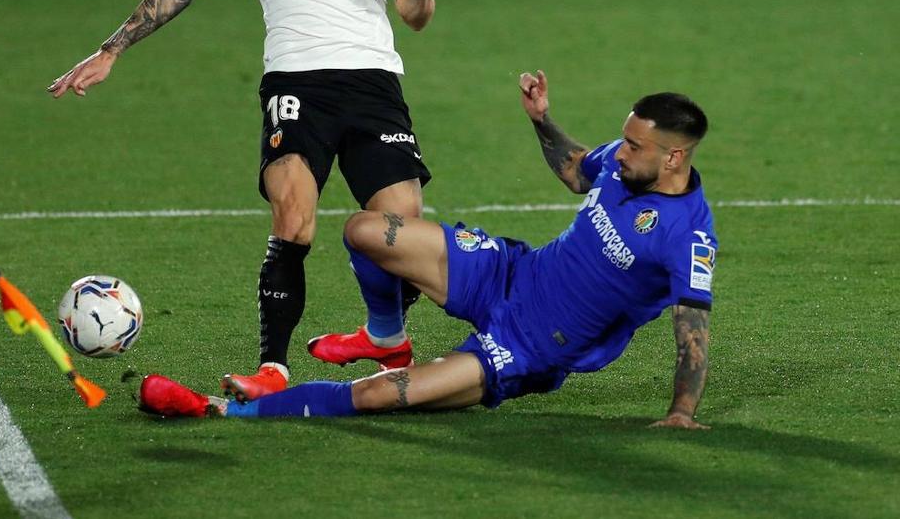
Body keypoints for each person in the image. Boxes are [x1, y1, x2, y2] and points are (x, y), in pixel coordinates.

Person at [47, 0, 450, 400]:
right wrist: (112, 48)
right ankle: (272, 369)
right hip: (293, 84)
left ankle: (385, 336)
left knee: (401, 224)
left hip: (372, 82)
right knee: (293, 213)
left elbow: (412, 17)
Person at [139, 71, 718, 429]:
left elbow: (692, 329)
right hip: (509, 273)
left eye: (635, 147)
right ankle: (385, 336)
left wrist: (681, 412)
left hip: (527, 348)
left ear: (673, 158)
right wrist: (543, 121)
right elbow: (574, 168)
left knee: (373, 397)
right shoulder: (624, 164)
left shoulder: (687, 235)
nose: (620, 153)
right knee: (366, 230)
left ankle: (218, 410)